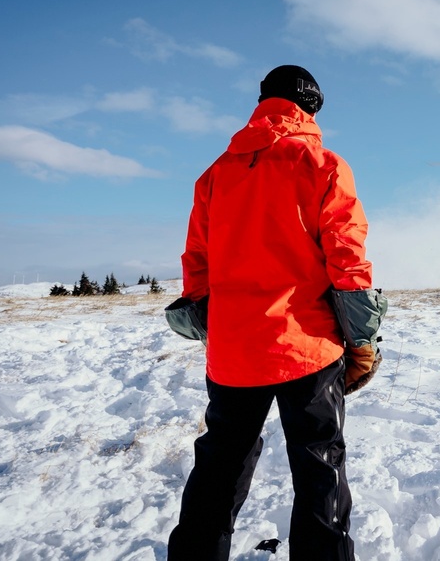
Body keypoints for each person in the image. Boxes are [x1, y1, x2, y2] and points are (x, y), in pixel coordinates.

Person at [167, 65, 386, 561]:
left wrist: (218, 334)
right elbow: (348, 261)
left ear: (263, 102)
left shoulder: (214, 176)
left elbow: (195, 265)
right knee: (319, 469)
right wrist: (363, 341)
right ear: (310, 106)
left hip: (232, 356)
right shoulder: (324, 164)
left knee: (219, 468)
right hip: (308, 352)